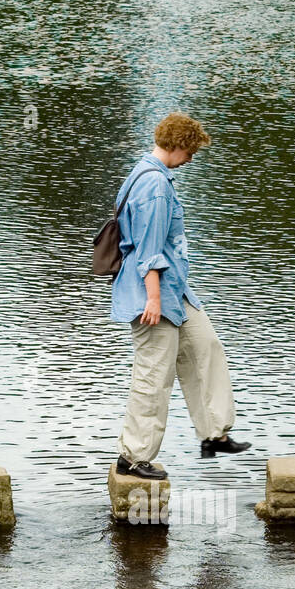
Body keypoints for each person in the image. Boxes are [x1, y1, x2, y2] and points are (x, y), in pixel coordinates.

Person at [112, 113, 251, 481]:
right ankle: (133, 457)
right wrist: (153, 299)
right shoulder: (155, 185)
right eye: (190, 151)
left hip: (175, 291)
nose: (192, 158)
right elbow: (148, 250)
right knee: (154, 375)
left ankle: (214, 434)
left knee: (206, 347)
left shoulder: (148, 172)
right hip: (153, 294)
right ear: (177, 145)